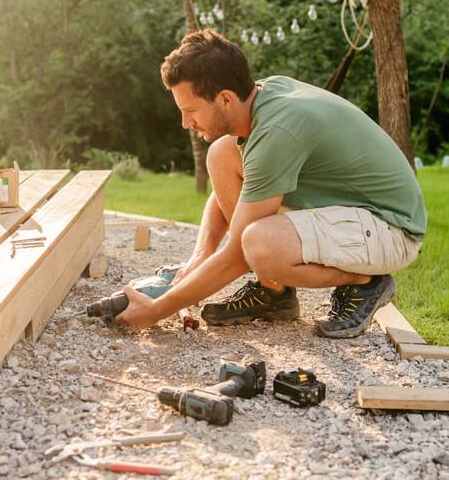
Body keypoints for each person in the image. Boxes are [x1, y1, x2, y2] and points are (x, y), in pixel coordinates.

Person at [115, 29, 426, 338]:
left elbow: (238, 255)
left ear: (225, 99)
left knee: (259, 245)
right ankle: (274, 294)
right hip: (356, 214)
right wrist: (201, 255)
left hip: (392, 229)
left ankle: (366, 281)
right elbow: (240, 188)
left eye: (190, 111)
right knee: (221, 154)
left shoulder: (277, 131)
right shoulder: (262, 98)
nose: (185, 123)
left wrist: (157, 310)